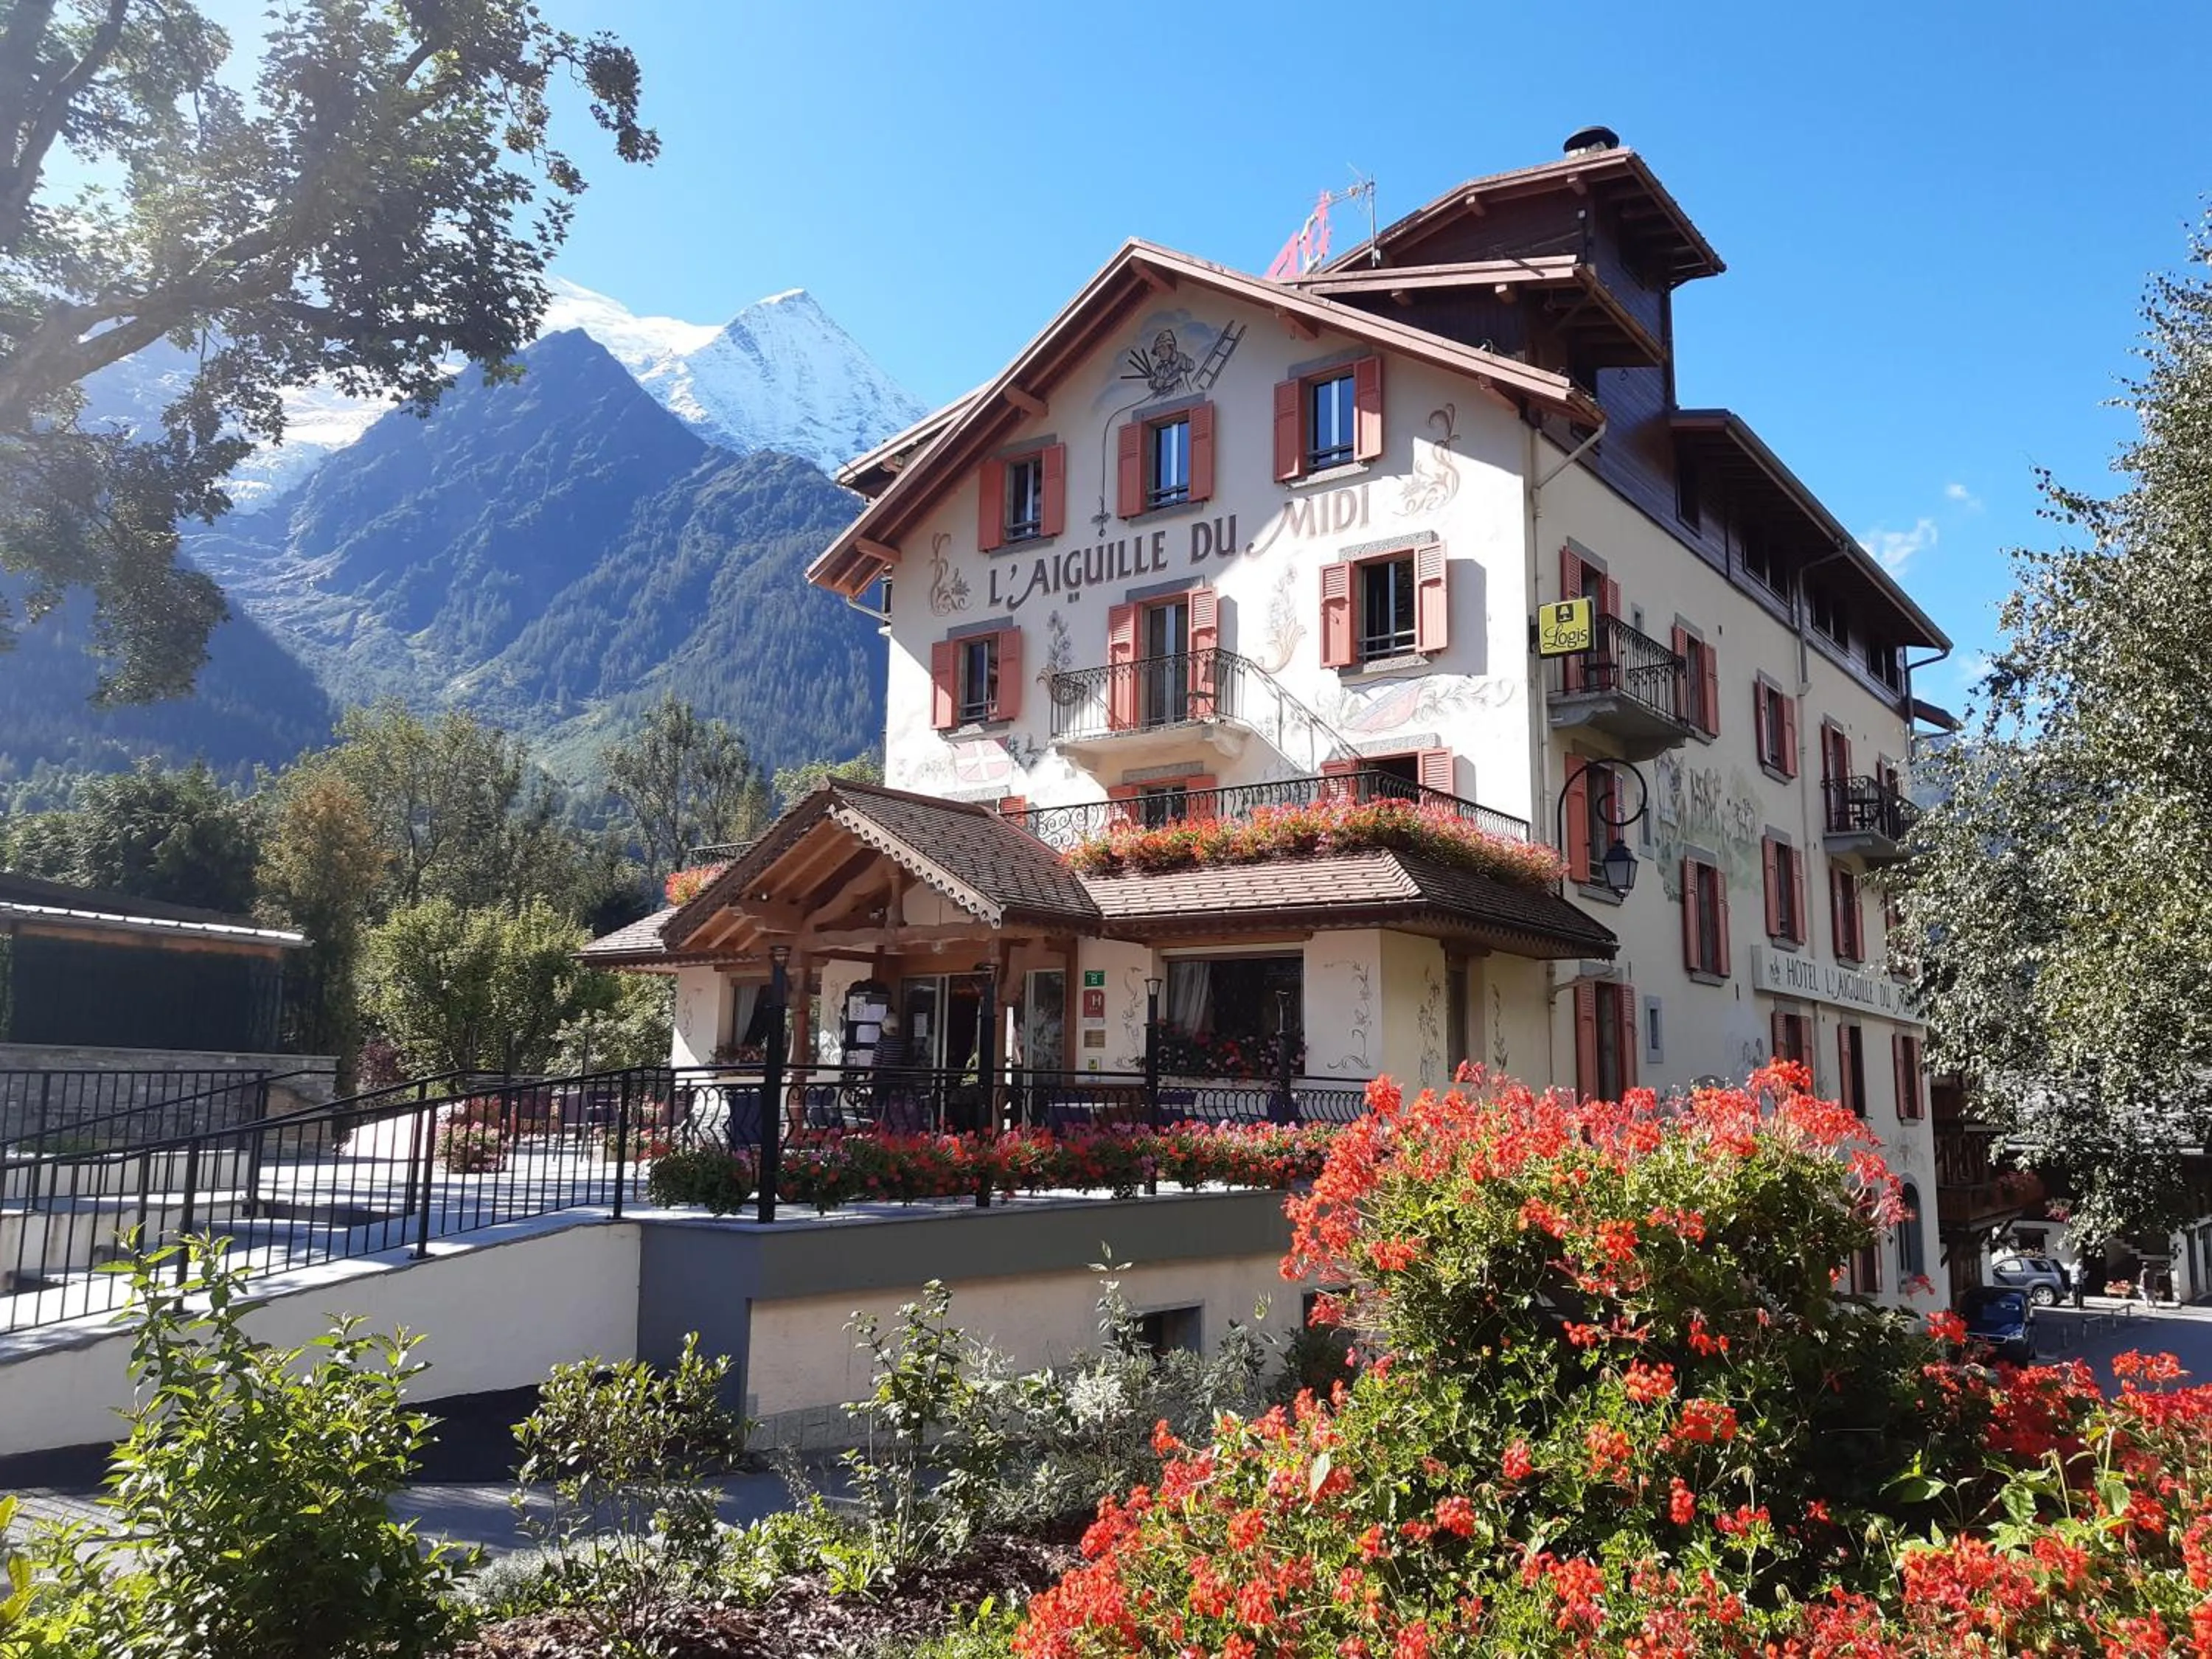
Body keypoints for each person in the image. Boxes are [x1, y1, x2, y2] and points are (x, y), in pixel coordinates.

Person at [872, 1013, 922, 1133]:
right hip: (898, 1078)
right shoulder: (902, 1043)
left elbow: (876, 1063)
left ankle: (880, 1125)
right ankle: (895, 1124)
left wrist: (870, 1078)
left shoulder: (882, 1043)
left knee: (879, 1102)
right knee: (896, 1102)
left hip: (884, 1078)